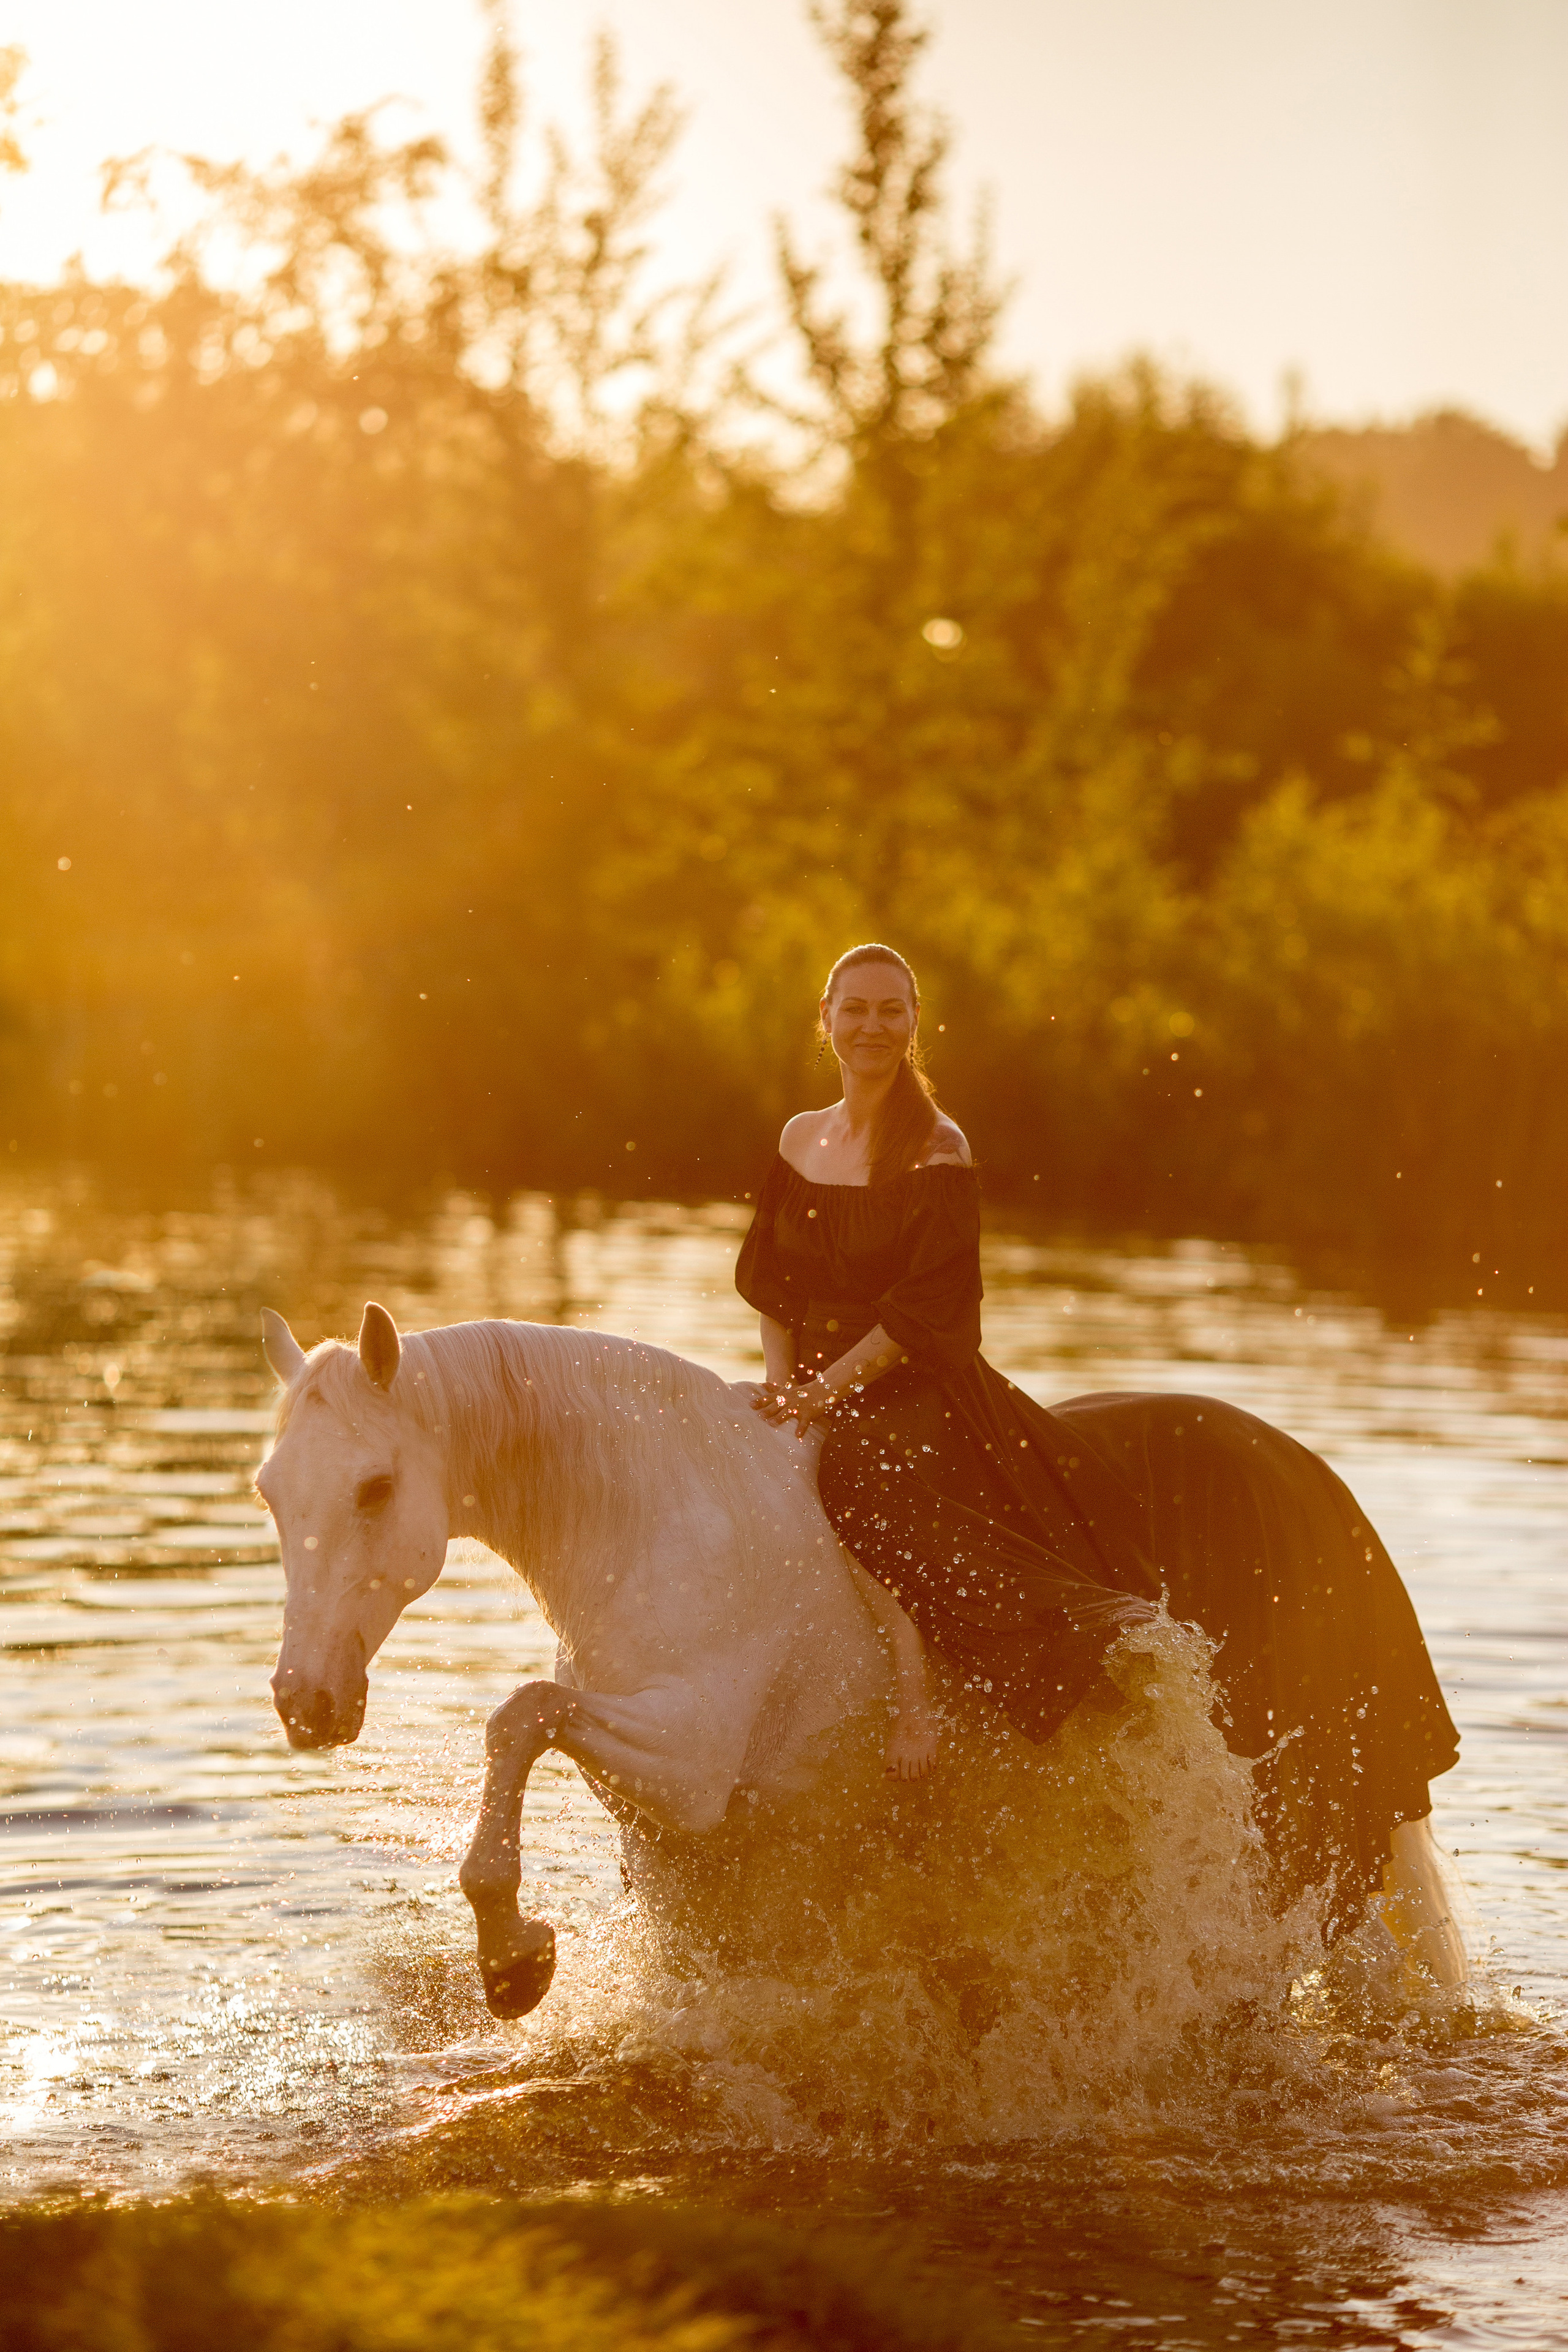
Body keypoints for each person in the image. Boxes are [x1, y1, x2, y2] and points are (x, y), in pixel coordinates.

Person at [734, 941, 1462, 1942]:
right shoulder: (797, 1137)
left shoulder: (937, 1147)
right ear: (825, 1019)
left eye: (890, 1011)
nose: (871, 1027)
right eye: (853, 1010)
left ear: (913, 1025)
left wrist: (825, 1392)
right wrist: (782, 1387)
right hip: (814, 1384)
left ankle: (917, 1690)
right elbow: (774, 1279)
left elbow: (924, 1312)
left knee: (862, 1481)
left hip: (912, 1391)